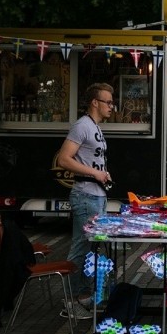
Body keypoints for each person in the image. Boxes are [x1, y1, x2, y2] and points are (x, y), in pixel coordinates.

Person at [56, 82, 115, 320]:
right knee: (81, 247)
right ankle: (70, 302)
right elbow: (63, 159)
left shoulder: (95, 128)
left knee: (92, 248)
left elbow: (91, 162)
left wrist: (102, 174)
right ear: (95, 102)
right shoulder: (81, 126)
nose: (112, 106)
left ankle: (83, 297)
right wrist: (94, 174)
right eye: (108, 102)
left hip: (97, 195)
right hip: (85, 195)